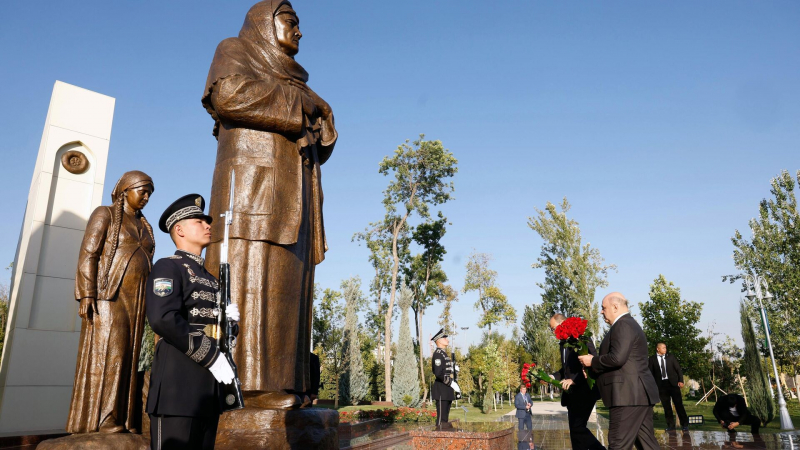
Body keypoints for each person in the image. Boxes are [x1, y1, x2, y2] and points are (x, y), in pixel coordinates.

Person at [201, 0, 337, 409]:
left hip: (294, 198)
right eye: (291, 22)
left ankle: (288, 383)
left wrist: (319, 115)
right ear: (265, 23)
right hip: (253, 193)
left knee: (286, 289)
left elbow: (317, 137)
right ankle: (250, 388)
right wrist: (303, 106)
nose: (299, 31)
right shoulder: (236, 49)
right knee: (251, 281)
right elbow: (229, 95)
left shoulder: (298, 83)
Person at [146, 194, 240, 449]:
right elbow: (162, 318)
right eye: (199, 221)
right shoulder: (168, 267)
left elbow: (218, 331)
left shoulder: (211, 277)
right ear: (179, 229)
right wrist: (211, 355)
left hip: (208, 389)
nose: (208, 225)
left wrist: (231, 324)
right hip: (178, 387)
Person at [67, 171, 155, 434]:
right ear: (126, 190)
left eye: (150, 192)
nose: (147, 197)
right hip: (109, 297)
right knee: (112, 354)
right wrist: (87, 294)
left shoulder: (144, 224)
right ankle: (104, 417)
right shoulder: (104, 214)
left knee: (128, 357)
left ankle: (124, 417)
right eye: (143, 190)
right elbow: (89, 253)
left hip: (137, 300)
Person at [578, 293, 660, 450]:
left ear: (615, 307)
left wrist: (592, 361)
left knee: (618, 445)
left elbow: (617, 358)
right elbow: (624, 363)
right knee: (648, 445)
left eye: (603, 308)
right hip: (636, 396)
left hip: (627, 397)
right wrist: (593, 371)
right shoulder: (627, 324)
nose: (601, 312)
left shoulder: (623, 325)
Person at [550, 314, 605, 450]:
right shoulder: (563, 344)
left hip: (585, 391)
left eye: (553, 328)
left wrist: (574, 380)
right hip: (572, 396)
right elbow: (566, 369)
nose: (552, 332)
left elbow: (592, 362)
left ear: (562, 323)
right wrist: (553, 376)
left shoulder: (581, 338)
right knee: (575, 433)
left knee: (578, 428)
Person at [648, 342, 689, 431]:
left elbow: (678, 369)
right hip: (661, 386)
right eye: (663, 348)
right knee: (666, 406)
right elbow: (650, 373)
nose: (665, 349)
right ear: (658, 349)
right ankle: (671, 426)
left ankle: (685, 424)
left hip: (673, 384)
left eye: (665, 347)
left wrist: (680, 381)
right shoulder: (652, 359)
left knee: (679, 405)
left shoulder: (670, 357)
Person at [431, 328, 460, 428]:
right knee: (441, 419)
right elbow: (438, 373)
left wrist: (453, 369)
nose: (447, 340)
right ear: (439, 341)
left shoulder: (443, 354)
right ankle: (438, 438)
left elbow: (444, 370)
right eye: (444, 338)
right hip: (441, 389)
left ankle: (444, 437)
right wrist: (450, 383)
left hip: (446, 389)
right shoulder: (438, 354)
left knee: (445, 418)